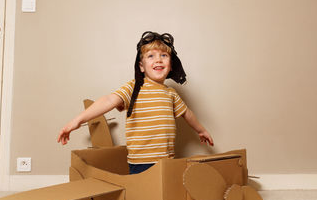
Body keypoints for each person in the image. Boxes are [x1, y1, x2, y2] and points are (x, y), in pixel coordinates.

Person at [57, 31, 214, 174]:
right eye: (151, 56)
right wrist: (77, 120)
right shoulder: (134, 88)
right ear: (141, 66)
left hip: (167, 159)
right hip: (141, 162)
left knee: (164, 199)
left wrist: (201, 130)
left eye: (164, 56)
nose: (158, 60)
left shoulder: (170, 93)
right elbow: (109, 100)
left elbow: (187, 113)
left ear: (171, 64)